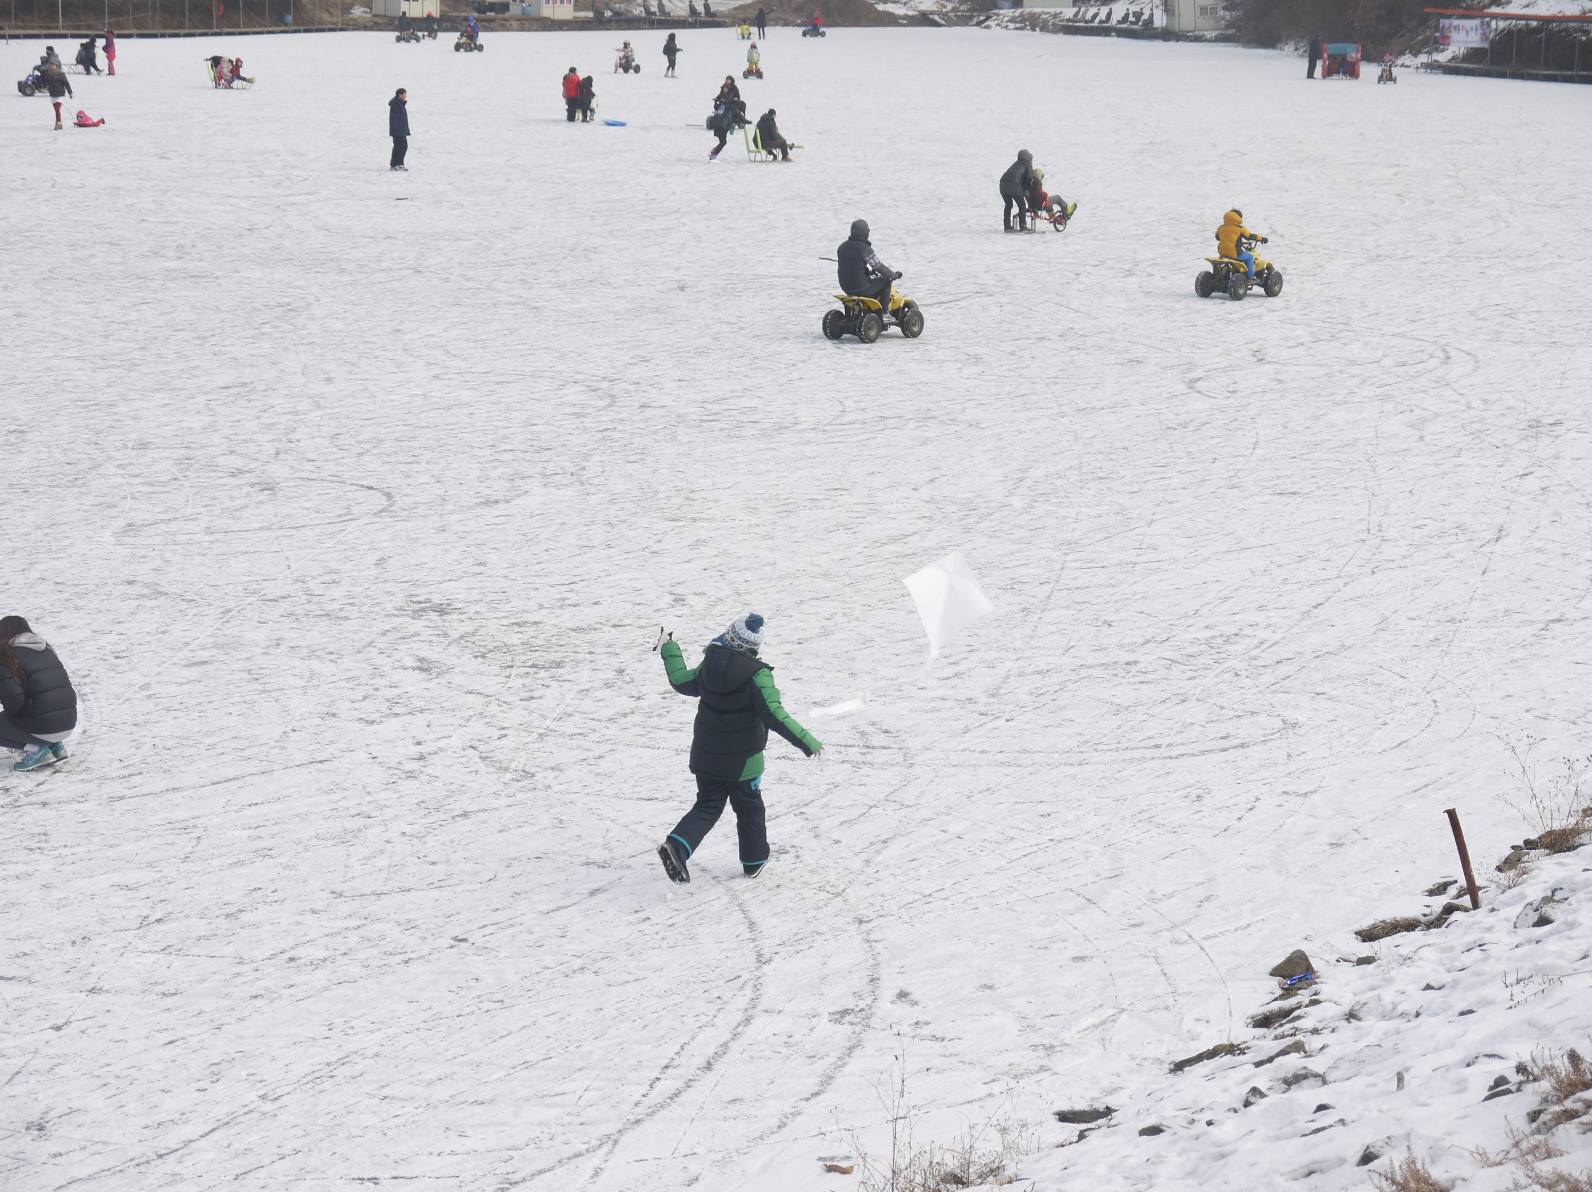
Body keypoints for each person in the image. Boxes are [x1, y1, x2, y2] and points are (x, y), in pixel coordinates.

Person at [656, 615, 822, 883]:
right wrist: (808, 742)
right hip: (743, 763)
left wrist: (670, 648)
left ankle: (677, 845)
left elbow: (680, 680)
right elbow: (774, 715)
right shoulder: (757, 675)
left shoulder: (709, 664)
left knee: (708, 805)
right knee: (749, 809)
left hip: (706, 757)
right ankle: (754, 861)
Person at [0, 616, 77, 773]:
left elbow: (14, 702)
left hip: (45, 727)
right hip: (67, 723)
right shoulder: (45, 651)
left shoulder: (7, 657)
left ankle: (36, 749)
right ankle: (54, 745)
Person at [837, 218, 900, 316]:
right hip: (861, 286)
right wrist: (893, 275)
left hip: (846, 286)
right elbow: (878, 266)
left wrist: (866, 272)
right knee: (886, 281)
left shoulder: (842, 247)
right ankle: (884, 313)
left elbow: (852, 267)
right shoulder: (865, 249)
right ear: (865, 233)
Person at [1215, 208, 1266, 277]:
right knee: (1250, 257)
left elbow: (1217, 237)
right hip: (1235, 253)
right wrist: (1261, 238)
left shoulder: (1220, 228)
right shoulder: (1240, 229)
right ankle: (1251, 276)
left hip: (1222, 253)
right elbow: (1249, 236)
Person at [999, 148, 1035, 232]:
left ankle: (1007, 225)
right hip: (1014, 185)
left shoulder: (1015, 164)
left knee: (1008, 205)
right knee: (1022, 205)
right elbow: (1029, 178)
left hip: (1003, 184)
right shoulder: (1027, 164)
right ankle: (1023, 225)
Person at [42, 62, 73, 130]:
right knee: (56, 109)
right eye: (51, 65)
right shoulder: (48, 74)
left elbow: (66, 83)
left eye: (53, 65)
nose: (52, 66)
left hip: (60, 93)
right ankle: (58, 122)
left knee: (57, 109)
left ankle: (59, 123)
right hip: (52, 93)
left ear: (56, 66)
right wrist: (45, 86)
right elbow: (46, 82)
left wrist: (70, 92)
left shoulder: (60, 73)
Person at [389, 87, 409, 170]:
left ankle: (395, 164)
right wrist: (396, 128)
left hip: (401, 129)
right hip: (398, 130)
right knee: (401, 146)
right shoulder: (396, 105)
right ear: (400, 95)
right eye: (404, 94)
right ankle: (398, 164)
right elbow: (394, 118)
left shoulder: (399, 104)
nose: (405, 96)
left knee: (399, 146)